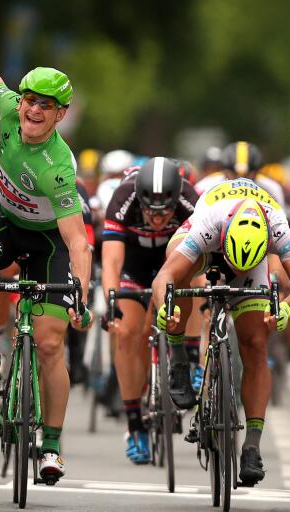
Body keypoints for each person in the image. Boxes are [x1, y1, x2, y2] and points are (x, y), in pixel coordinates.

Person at [0, 54, 92, 483]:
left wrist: (80, 293)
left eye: (46, 105)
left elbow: (77, 242)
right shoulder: (10, 109)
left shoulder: (58, 169)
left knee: (49, 346)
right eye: (30, 100)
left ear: (60, 115)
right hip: (6, 221)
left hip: (47, 243)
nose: (34, 109)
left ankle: (52, 446)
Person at [152, 177, 290, 485]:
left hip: (252, 256)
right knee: (179, 277)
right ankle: (178, 358)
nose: (237, 273)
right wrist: (167, 307)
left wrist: (286, 309)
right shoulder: (209, 221)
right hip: (209, 248)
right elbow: (164, 277)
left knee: (255, 344)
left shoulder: (276, 224)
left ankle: (252, 445)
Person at [101, 157, 197, 464]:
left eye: (165, 212)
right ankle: (135, 424)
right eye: (150, 211)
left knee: (191, 287)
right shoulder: (123, 197)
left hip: (175, 258)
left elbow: (203, 258)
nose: (157, 219)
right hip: (134, 264)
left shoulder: (190, 199)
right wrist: (111, 300)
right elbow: (112, 261)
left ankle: (190, 359)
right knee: (127, 334)